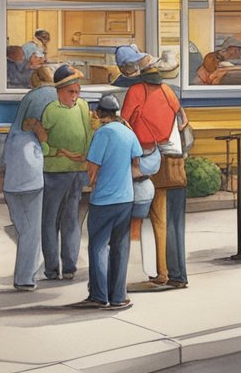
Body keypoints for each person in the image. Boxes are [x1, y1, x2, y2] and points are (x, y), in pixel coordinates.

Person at [121, 61, 188, 288]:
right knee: (173, 221)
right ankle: (173, 272)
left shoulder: (137, 92)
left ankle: (165, 273)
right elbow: (183, 120)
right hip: (176, 161)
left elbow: (125, 122)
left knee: (156, 220)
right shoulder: (169, 92)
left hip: (152, 161)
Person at [77, 94, 142, 310]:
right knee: (120, 247)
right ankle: (118, 296)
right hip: (126, 198)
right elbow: (136, 161)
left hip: (104, 199)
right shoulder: (128, 132)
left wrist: (92, 182)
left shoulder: (102, 134)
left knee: (97, 246)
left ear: (98, 113)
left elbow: (92, 166)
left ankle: (98, 295)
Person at [35, 65, 93, 281]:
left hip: (76, 173)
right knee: (50, 220)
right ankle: (51, 268)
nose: (75, 97)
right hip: (54, 173)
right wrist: (56, 152)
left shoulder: (83, 107)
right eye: (71, 92)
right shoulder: (51, 110)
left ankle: (69, 266)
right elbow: (43, 142)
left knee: (70, 220)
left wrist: (86, 161)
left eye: (78, 92)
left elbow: (88, 138)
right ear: (59, 91)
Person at [6, 65, 56, 290]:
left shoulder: (29, 97)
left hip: (13, 172)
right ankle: (25, 277)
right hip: (33, 170)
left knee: (23, 226)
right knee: (32, 229)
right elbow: (44, 132)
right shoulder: (52, 97)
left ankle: (26, 272)